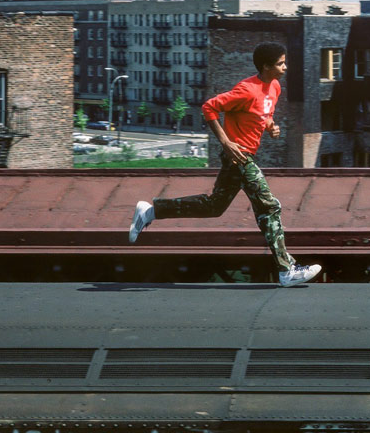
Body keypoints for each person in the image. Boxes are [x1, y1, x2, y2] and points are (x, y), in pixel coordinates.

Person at [128, 42, 321, 287]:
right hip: (239, 156)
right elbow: (209, 107)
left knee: (214, 206)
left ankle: (150, 211)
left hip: (243, 156)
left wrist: (271, 126)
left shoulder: (274, 86)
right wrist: (226, 142)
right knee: (269, 206)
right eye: (281, 63)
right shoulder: (246, 89)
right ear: (266, 66)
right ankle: (287, 269)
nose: (286, 67)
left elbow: (264, 113)